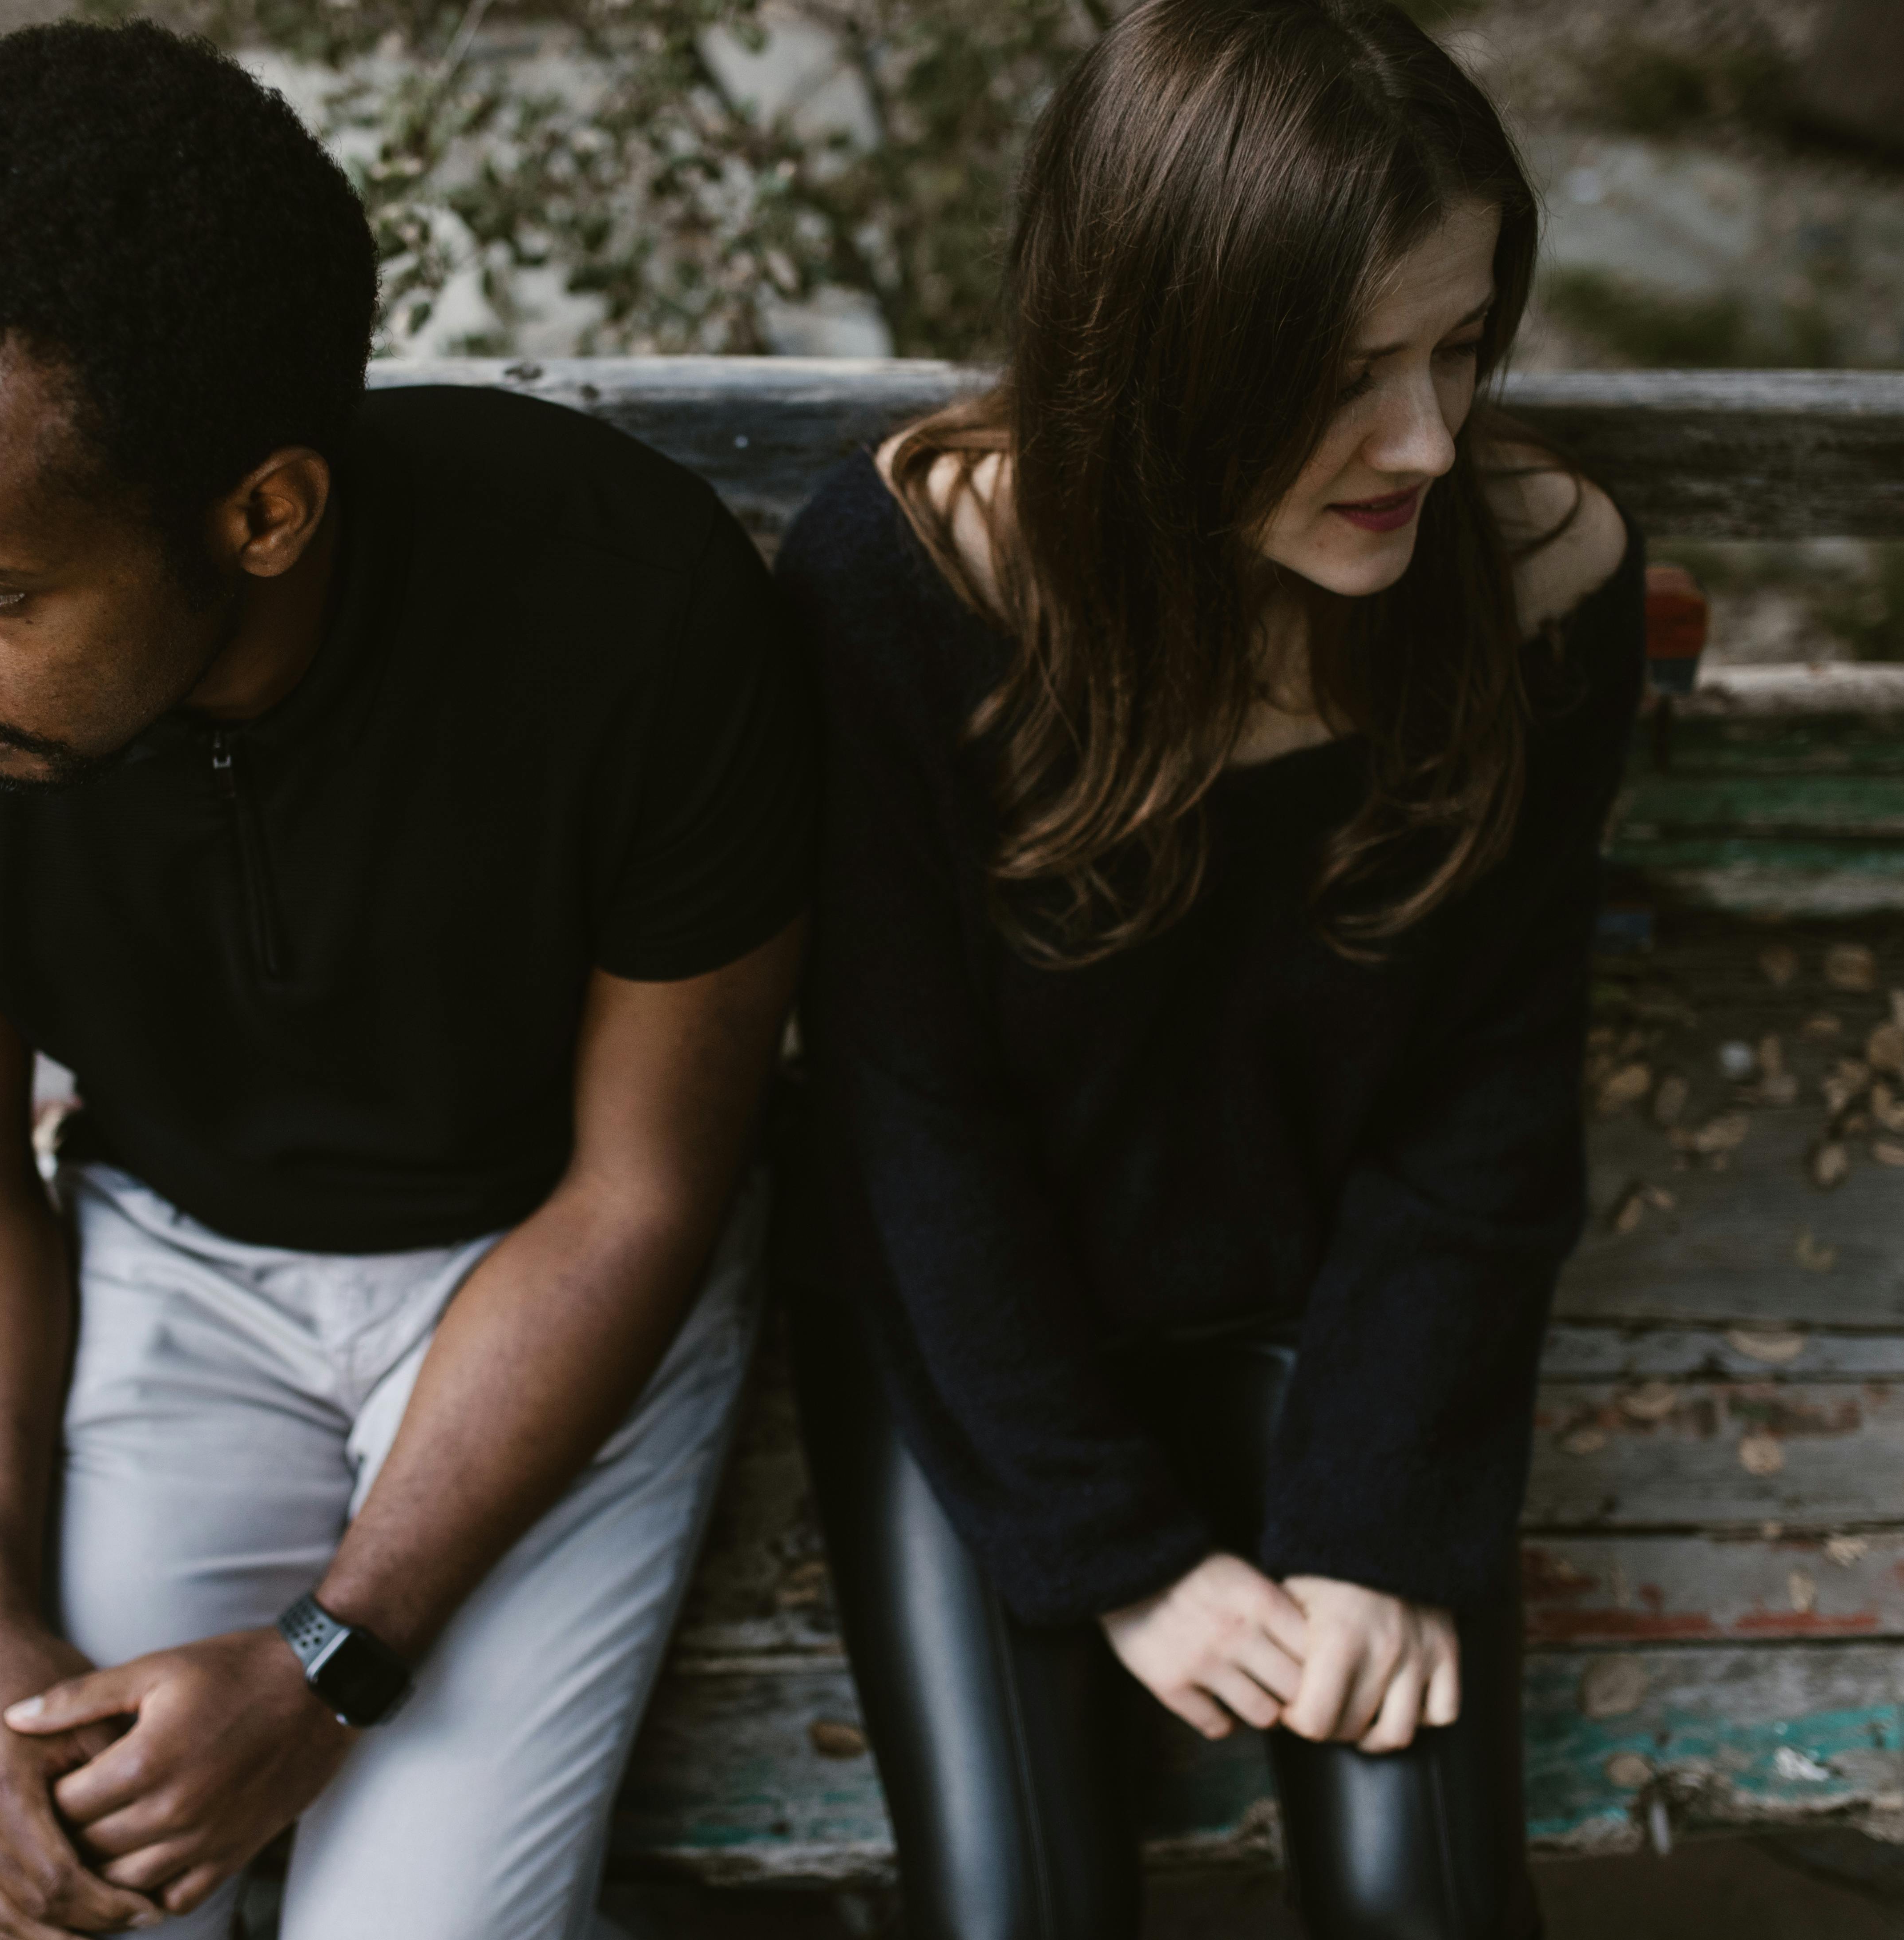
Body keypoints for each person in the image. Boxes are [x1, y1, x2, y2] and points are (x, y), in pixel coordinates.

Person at [0, 24, 813, 1940]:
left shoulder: (634, 615)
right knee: (54, 1902)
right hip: (175, 1261)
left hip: (548, 1271)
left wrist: (334, 1654)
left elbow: (647, 1183)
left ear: (262, 514)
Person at [775, 3, 1639, 1935]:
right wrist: (1125, 1556)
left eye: (1461, 346)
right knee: (1020, 1913)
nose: (1423, 436)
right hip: (981, 1342)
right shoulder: (908, 580)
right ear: (1160, 353)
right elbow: (908, 1120)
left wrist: (1378, 1524)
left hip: (1335, 1318)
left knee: (1429, 1908)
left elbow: (1486, 1092)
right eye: (1344, 372)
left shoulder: (1539, 581)